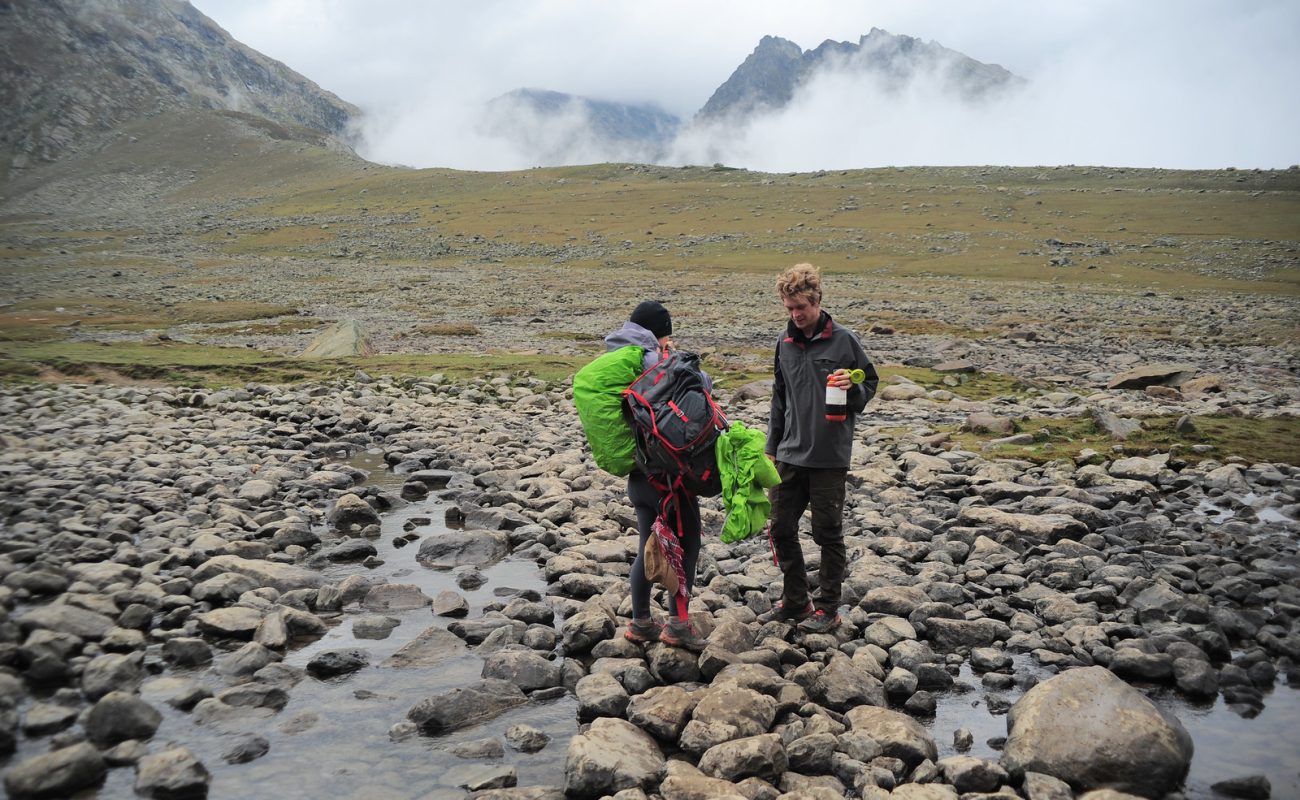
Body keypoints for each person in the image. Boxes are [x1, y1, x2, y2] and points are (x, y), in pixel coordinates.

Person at [761, 263, 878, 633]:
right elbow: (779, 397)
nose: (795, 315)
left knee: (827, 532)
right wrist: (771, 446)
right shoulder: (784, 342)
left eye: (801, 307)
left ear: (817, 300)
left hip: (829, 456)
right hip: (789, 453)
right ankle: (796, 600)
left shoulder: (844, 340)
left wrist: (853, 388)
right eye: (789, 308)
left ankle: (828, 608)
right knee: (780, 528)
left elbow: (869, 386)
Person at [604, 300, 708, 651]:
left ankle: (641, 622)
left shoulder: (617, 359)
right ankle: (678, 625)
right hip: (667, 477)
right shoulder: (652, 359)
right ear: (660, 333)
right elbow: (701, 385)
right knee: (687, 545)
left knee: (646, 545)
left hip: (638, 474)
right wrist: (670, 355)